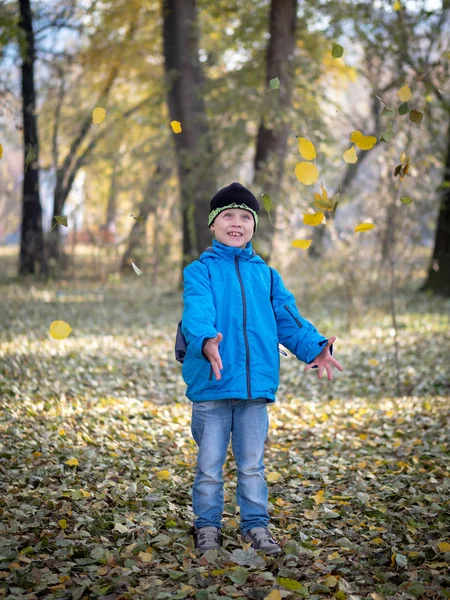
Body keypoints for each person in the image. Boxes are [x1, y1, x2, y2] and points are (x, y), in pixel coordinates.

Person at [181, 182, 343, 555]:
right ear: (212, 224)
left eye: (244, 216)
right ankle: (207, 527)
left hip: (255, 391)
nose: (235, 223)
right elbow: (197, 310)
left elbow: (288, 319)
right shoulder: (199, 271)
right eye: (227, 216)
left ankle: (255, 526)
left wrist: (315, 347)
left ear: (253, 225)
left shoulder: (267, 276)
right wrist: (206, 339)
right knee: (209, 467)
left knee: (252, 466)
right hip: (214, 384)